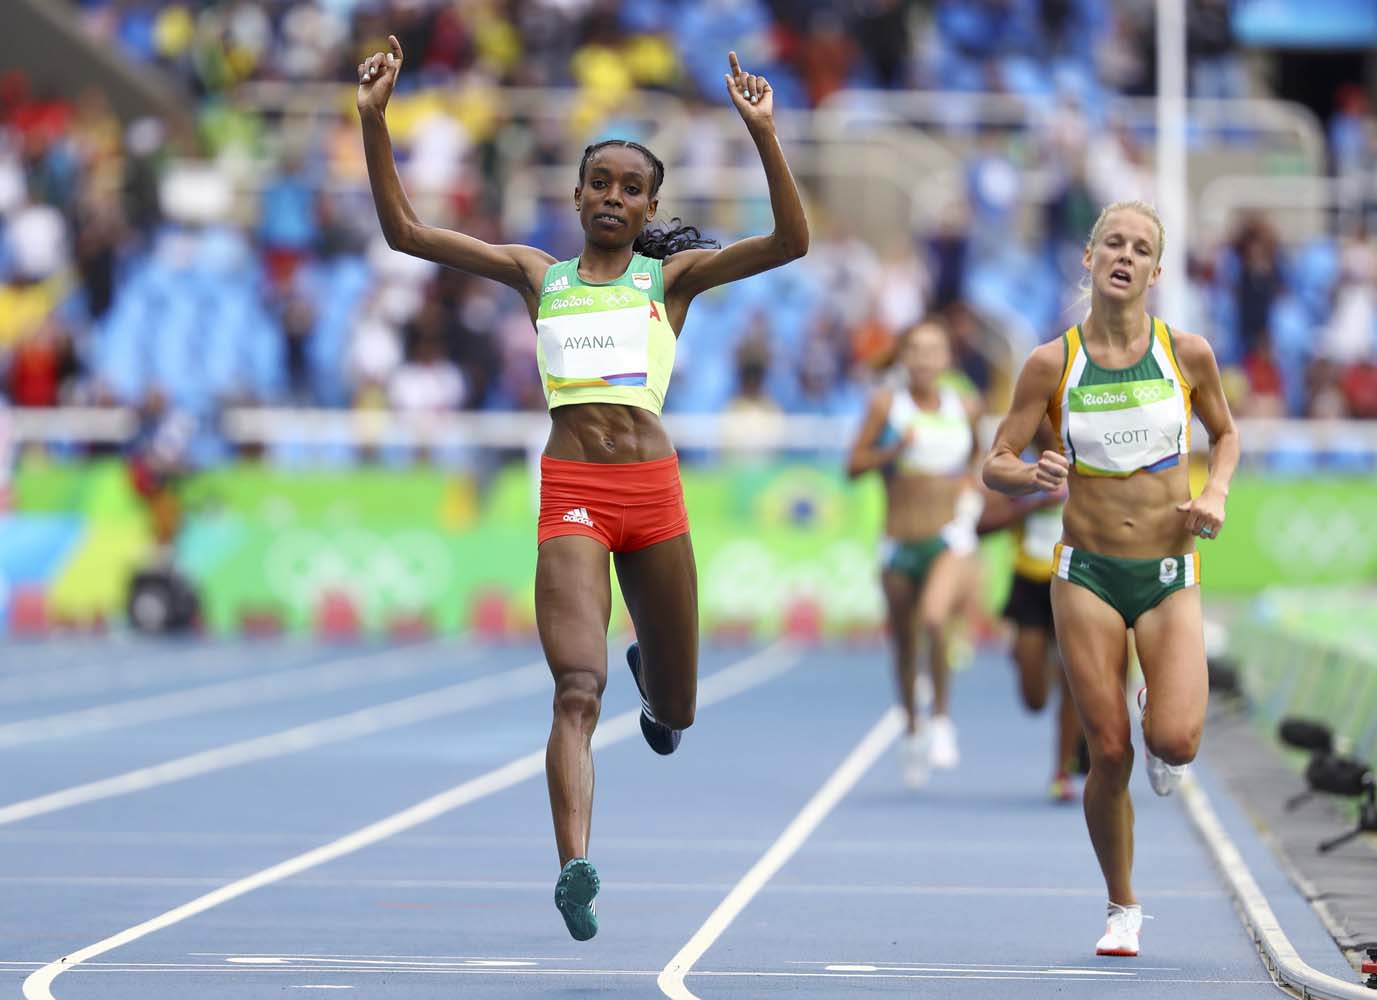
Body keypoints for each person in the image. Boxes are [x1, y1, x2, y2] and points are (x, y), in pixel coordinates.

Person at [357, 39, 808, 941]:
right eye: (596, 181)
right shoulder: (538, 276)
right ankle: (575, 866)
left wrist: (763, 134)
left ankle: (661, 694)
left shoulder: (669, 280)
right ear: (575, 196)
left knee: (676, 707)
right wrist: (374, 121)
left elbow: (792, 242)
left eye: (628, 187)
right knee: (573, 686)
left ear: (648, 207)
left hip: (653, 495)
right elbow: (405, 233)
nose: (610, 195)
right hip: (572, 493)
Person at [983, 201, 1239, 957]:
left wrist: (1215, 490)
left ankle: (1158, 701)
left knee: (1176, 741)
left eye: (1141, 248)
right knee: (1109, 752)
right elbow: (994, 463)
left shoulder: (1185, 354)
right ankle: (1121, 906)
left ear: (1156, 273)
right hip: (1085, 573)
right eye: (1112, 244)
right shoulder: (1049, 363)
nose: (1124, 256)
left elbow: (1224, 434)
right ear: (1089, 258)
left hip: (1166, 571)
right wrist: (1030, 472)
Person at [846, 318, 982, 788]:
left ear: (947, 359)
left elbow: (976, 461)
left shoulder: (965, 406)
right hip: (898, 542)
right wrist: (893, 452)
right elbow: (853, 465)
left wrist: (970, 493)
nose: (924, 359)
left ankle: (941, 720)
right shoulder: (888, 404)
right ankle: (911, 729)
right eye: (916, 350)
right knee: (904, 644)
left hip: (949, 537)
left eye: (934, 350)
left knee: (935, 618)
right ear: (904, 358)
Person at [977, 441, 1083, 802]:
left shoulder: (1089, 454)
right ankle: (1035, 660)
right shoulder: (1018, 465)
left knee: (1074, 682)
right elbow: (982, 524)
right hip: (1030, 582)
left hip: (1077, 578)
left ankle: (1062, 770)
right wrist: (1035, 502)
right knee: (1034, 698)